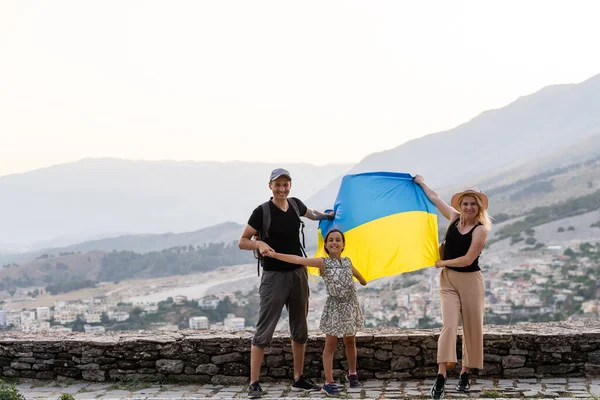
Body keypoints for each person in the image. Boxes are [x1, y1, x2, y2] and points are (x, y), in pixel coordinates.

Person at [238, 168, 333, 399]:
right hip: (273, 277)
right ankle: (254, 383)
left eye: (286, 184)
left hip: (298, 273)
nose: (282, 188)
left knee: (300, 328)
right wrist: (258, 245)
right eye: (277, 184)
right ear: (270, 186)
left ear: (290, 185)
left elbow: (312, 214)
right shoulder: (261, 212)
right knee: (264, 329)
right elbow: (242, 241)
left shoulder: (295, 205)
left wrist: (330, 216)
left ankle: (298, 379)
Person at [413, 175, 492, 400]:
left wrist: (442, 262)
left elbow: (468, 259)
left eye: (473, 204)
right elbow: (435, 199)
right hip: (448, 280)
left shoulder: (480, 230)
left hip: (470, 281)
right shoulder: (453, 219)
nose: (468, 207)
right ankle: (441, 375)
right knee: (448, 325)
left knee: (471, 327)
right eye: (465, 203)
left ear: (478, 207)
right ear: (460, 205)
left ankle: (466, 373)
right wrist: (420, 183)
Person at [269, 229, 367, 396]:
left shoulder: (348, 262)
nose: (334, 242)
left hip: (350, 306)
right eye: (331, 240)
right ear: (326, 245)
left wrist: (358, 279)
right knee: (330, 345)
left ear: (343, 245)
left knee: (350, 342)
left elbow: (363, 280)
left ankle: (352, 374)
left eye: (338, 240)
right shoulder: (323, 263)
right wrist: (275, 255)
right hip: (334, 308)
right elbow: (299, 259)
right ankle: (329, 382)